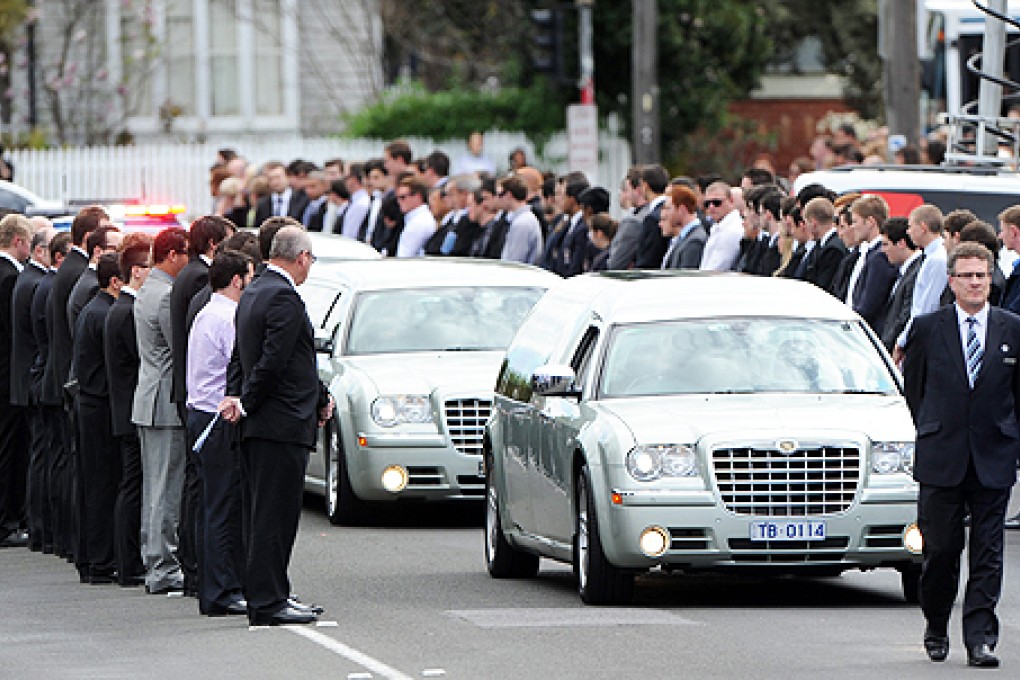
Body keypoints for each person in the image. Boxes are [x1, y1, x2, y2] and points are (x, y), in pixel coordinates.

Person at [903, 242, 1020, 668]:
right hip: (942, 456)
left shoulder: (1012, 329)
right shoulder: (928, 329)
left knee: (988, 552)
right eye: (967, 275)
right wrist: (935, 428)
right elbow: (914, 391)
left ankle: (980, 639)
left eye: (982, 275)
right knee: (941, 551)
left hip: (994, 456)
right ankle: (936, 623)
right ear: (951, 281)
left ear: (991, 279)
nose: (975, 282)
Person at [219, 225, 333, 626]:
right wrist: (245, 401)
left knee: (263, 513)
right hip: (279, 423)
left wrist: (237, 397)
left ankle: (271, 592)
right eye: (310, 260)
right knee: (274, 516)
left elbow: (240, 357)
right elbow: (276, 361)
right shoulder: (284, 296)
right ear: (301, 257)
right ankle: (268, 602)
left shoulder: (254, 291)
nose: (309, 268)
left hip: (263, 421)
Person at [187, 251, 252, 617]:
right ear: (237, 279)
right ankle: (223, 589)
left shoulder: (206, 313)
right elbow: (242, 364)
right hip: (218, 418)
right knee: (223, 509)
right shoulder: (227, 317)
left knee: (212, 506)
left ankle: (214, 586)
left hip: (201, 413)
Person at [170, 216, 229, 597]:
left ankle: (196, 570)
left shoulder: (190, 276)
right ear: (211, 245)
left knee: (198, 487)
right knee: (204, 491)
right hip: (203, 399)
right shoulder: (198, 280)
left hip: (191, 393)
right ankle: (197, 569)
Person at [132, 226, 190, 595]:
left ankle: (155, 559)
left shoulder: (148, 289)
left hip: (148, 398)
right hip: (163, 402)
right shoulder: (166, 296)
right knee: (166, 488)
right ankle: (162, 566)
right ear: (172, 255)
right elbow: (178, 347)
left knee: (155, 486)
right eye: (185, 255)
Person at [71, 252, 123, 583]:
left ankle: (90, 558)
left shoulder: (93, 309)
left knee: (92, 485)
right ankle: (101, 560)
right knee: (103, 486)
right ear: (115, 281)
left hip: (87, 403)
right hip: (99, 407)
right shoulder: (105, 314)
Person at [105, 237, 152, 587]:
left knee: (130, 484)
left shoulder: (120, 308)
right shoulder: (126, 312)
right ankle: (129, 562)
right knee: (132, 486)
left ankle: (129, 561)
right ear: (136, 272)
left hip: (124, 408)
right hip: (129, 410)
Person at [10, 225, 53, 551]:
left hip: (26, 378)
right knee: (34, 455)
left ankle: (31, 522)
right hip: (33, 379)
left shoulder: (27, 280)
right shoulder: (33, 283)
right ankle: (34, 523)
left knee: (33, 454)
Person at [0, 214, 32, 548]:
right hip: (6, 376)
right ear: (19, 241)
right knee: (9, 448)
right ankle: (6, 521)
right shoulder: (9, 277)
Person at [699, 181, 743, 271]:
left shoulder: (732, 230)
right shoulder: (718, 227)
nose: (711, 207)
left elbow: (716, 269)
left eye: (717, 202)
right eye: (707, 203)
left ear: (731, 200)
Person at [659, 185, 706, 270]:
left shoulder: (694, 241)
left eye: (668, 208)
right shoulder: (684, 238)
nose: (664, 213)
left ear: (682, 209)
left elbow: (685, 279)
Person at [395, 176, 436, 257]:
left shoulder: (419, 222)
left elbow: (405, 256)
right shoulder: (418, 219)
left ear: (418, 196)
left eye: (403, 197)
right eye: (397, 198)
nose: (399, 202)